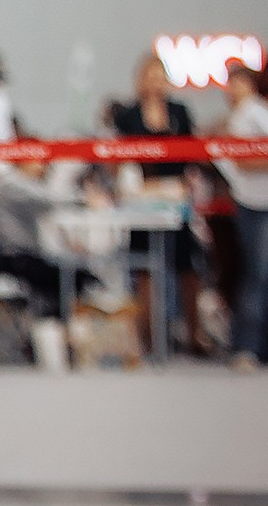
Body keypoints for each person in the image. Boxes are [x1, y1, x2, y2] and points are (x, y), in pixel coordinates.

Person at [106, 53, 207, 354]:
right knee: (145, 268)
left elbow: (192, 151)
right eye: (150, 76)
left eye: (159, 76)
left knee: (187, 266)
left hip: (175, 196)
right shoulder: (128, 115)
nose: (155, 82)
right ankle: (147, 335)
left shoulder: (179, 112)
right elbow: (117, 159)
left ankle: (194, 333)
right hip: (142, 198)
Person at [216, 63, 268, 369]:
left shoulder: (257, 112)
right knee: (257, 275)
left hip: (258, 200)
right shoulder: (244, 116)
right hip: (254, 204)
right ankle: (246, 345)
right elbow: (242, 161)